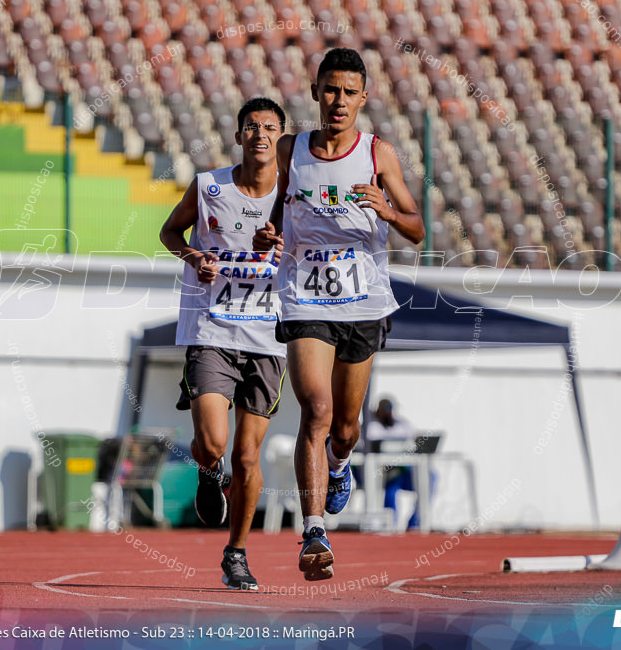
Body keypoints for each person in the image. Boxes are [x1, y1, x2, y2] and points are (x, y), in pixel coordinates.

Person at [254, 48, 425, 581]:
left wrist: (387, 210)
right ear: (315, 92)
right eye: (331, 90)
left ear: (364, 99)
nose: (339, 101)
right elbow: (275, 205)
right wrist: (272, 232)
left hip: (364, 300)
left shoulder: (379, 154)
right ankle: (313, 532)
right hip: (305, 294)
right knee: (317, 408)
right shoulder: (290, 149)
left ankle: (341, 462)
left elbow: (418, 229)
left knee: (346, 427)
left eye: (350, 93)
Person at [160, 97, 287, 591]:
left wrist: (280, 246)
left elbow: (307, 252)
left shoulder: (293, 194)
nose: (259, 135)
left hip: (267, 337)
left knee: (248, 458)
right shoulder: (210, 186)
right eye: (251, 127)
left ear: (281, 137)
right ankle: (207, 473)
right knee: (214, 444)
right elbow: (170, 231)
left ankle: (236, 553)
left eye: (269, 127)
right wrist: (194, 256)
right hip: (211, 331)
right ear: (238, 137)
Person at [366, 398, 422, 530]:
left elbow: (417, 438)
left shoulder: (401, 424)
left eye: (390, 410)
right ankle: (390, 525)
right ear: (378, 411)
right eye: (385, 410)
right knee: (392, 485)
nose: (388, 413)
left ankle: (415, 522)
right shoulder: (371, 425)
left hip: (401, 471)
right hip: (381, 473)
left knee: (431, 478)